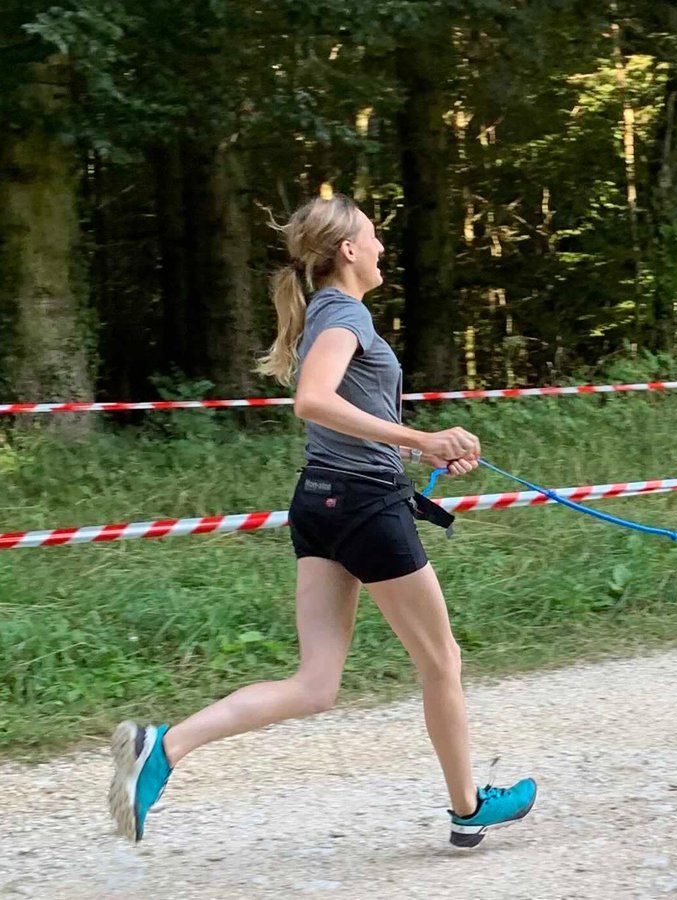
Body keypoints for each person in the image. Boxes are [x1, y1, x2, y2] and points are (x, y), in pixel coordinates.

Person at [107, 194, 535, 849]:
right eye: (374, 237)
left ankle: (163, 747)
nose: (384, 248)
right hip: (362, 507)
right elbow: (313, 400)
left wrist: (412, 449)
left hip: (324, 501)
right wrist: (420, 439)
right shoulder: (345, 315)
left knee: (315, 684)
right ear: (349, 251)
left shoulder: (331, 314)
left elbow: (343, 412)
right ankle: (468, 807)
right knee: (441, 661)